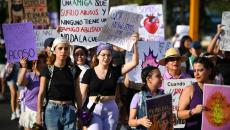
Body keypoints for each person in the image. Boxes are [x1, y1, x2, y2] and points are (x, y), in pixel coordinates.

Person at [80, 33, 139, 130]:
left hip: (111, 108)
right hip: (94, 108)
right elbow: (82, 94)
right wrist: (79, 109)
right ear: (98, 56)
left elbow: (134, 62)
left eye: (109, 55)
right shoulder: (89, 72)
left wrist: (135, 44)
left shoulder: (115, 71)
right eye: (103, 55)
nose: (106, 58)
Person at [36, 37, 82, 130]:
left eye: (66, 48)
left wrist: (80, 113)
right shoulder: (47, 70)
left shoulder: (74, 70)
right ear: (54, 50)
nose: (63, 51)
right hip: (52, 110)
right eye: (60, 48)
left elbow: (78, 93)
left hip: (70, 110)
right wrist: (38, 114)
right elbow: (41, 93)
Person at [178, 57, 215, 130]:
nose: (196, 74)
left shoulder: (217, 89)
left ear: (209, 71)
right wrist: (193, 111)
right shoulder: (190, 89)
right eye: (194, 71)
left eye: (200, 70)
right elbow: (179, 114)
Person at [17, 53, 46, 130]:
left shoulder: (48, 76)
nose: (42, 64)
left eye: (44, 62)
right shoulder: (30, 75)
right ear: (34, 63)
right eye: (39, 62)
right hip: (30, 111)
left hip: (43, 112)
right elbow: (20, 83)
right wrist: (24, 67)